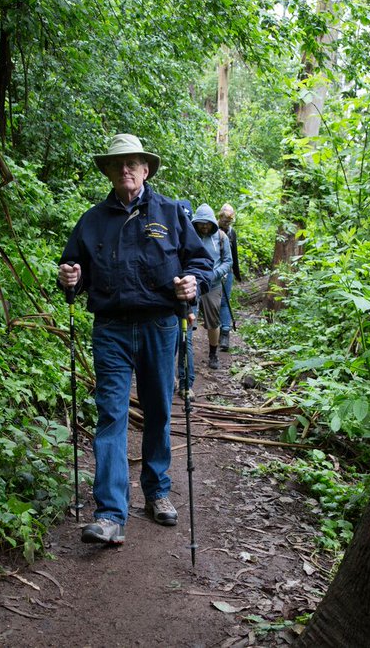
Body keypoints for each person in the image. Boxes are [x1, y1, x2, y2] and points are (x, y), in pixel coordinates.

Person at [57, 133, 213, 545]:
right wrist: (69, 277)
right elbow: (73, 269)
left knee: (159, 408)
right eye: (117, 163)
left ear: (146, 169)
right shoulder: (92, 220)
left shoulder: (171, 212)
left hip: (160, 325)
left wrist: (193, 281)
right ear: (108, 171)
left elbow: (201, 261)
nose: (125, 169)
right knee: (111, 413)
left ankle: (157, 490)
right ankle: (110, 513)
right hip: (110, 327)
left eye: (133, 162)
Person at [191, 204, 233, 370]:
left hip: (213, 285)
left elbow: (228, 261)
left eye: (207, 223)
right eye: (201, 223)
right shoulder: (190, 235)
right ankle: (186, 356)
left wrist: (214, 274)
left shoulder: (221, 237)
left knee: (213, 321)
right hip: (193, 284)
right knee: (188, 319)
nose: (204, 226)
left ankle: (213, 354)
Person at [216, 203, 243, 352]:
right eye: (225, 220)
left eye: (229, 221)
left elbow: (234, 254)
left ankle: (225, 333)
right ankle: (214, 330)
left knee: (225, 302)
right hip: (214, 270)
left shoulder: (232, 233)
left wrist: (237, 273)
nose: (227, 223)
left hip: (228, 270)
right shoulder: (212, 229)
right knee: (214, 300)